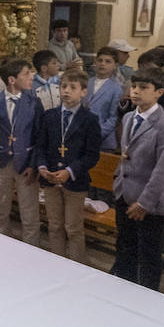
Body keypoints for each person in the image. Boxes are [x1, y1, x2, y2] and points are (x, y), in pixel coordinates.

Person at [110, 67, 164, 290]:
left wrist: (144, 203)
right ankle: (123, 290)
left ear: (158, 92)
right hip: (125, 194)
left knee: (148, 256)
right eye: (134, 87)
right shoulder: (130, 117)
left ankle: (148, 298)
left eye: (143, 88)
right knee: (125, 248)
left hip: (150, 205)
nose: (136, 92)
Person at [34, 69, 100, 261]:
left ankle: (77, 266)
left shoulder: (90, 120)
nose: (67, 91)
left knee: (73, 227)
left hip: (75, 181)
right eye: (63, 86)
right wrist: (42, 167)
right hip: (50, 179)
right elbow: (40, 147)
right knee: (54, 225)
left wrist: (69, 171)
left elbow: (91, 155)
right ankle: (57, 262)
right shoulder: (49, 116)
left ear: (83, 92)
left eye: (73, 87)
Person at [0, 57, 43, 243]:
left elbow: (39, 136)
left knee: (29, 211)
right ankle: (1, 243)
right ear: (12, 80)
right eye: (26, 73)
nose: (31, 77)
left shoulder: (34, 102)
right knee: (0, 209)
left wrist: (34, 164)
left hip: (26, 164)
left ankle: (30, 248)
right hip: (1, 161)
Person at [86, 46, 123, 150]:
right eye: (100, 60)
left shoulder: (116, 88)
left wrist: (98, 133)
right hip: (82, 135)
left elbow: (114, 117)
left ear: (115, 65)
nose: (103, 64)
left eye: (108, 61)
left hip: (103, 139)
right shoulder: (87, 82)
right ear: (95, 62)